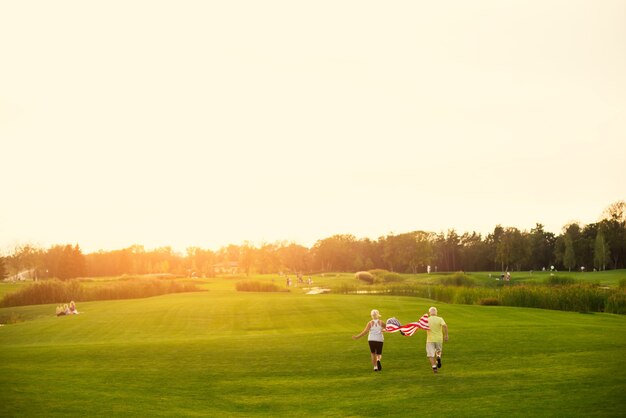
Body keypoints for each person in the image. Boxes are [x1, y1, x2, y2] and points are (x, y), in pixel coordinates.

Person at [426, 306, 448, 374]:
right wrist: (446, 335)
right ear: (436, 312)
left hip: (430, 340)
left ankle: (434, 367)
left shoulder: (427, 319)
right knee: (438, 351)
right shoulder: (440, 319)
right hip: (439, 339)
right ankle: (438, 357)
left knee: (431, 355)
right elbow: (445, 326)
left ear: (429, 313)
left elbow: (420, 326)